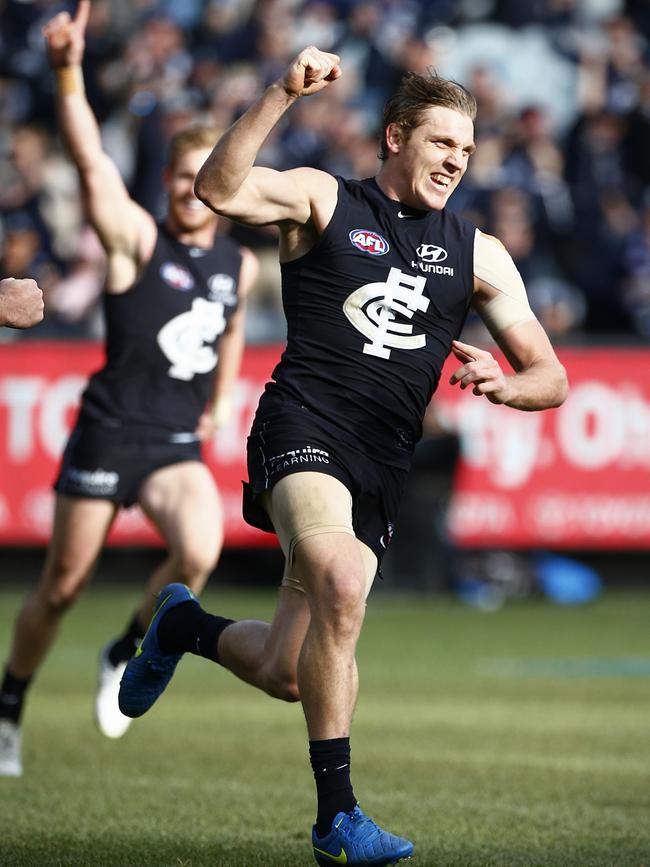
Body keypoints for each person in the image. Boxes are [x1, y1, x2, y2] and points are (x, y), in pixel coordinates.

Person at [119, 46, 568, 866]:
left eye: (466, 151)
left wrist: (510, 384)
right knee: (342, 578)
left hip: (381, 463)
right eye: (441, 144)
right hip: (302, 422)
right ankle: (338, 818)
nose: (455, 163)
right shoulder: (325, 199)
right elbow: (216, 190)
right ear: (396, 136)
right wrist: (281, 93)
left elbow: (552, 374)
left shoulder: (479, 251)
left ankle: (179, 622)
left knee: (289, 670)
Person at [0, 0, 257, 778]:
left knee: (201, 547)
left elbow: (233, 324)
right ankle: (10, 702)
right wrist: (69, 70)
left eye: (201, 178)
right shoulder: (139, 238)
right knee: (63, 584)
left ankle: (126, 647)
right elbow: (90, 164)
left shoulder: (237, 264)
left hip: (175, 441)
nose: (189, 190)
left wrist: (221, 396)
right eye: (179, 177)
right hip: (112, 431)